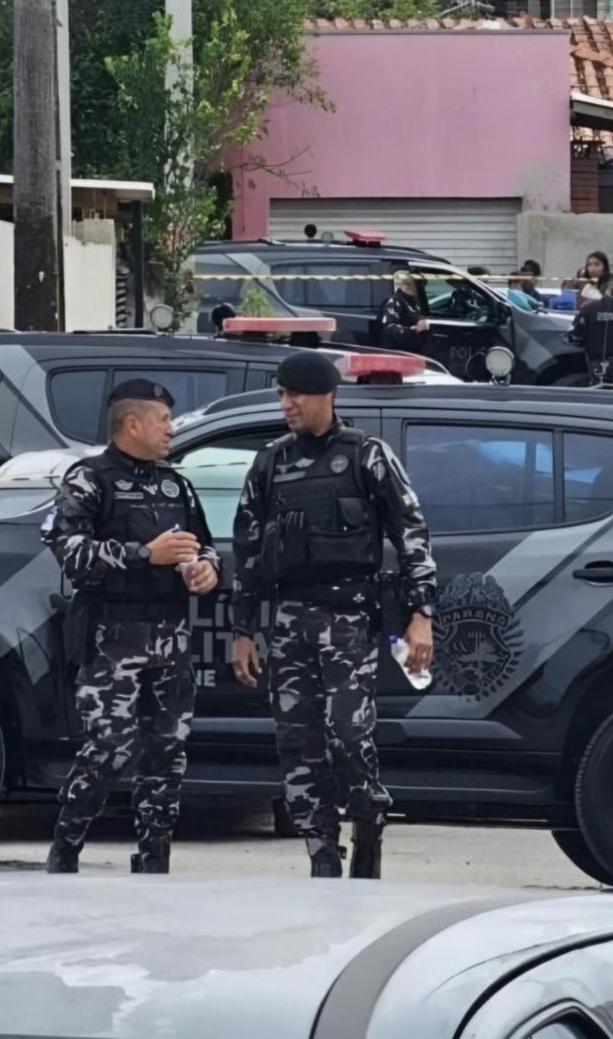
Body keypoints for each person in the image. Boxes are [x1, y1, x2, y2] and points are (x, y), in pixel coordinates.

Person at [228, 350, 438, 879]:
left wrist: (421, 612)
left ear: (325, 395)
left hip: (348, 618)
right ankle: (321, 852)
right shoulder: (270, 462)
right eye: (281, 394)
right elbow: (247, 550)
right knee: (297, 741)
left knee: (348, 734)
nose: (287, 404)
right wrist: (243, 628)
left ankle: (368, 821)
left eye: (295, 394)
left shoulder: (366, 455)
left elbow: (411, 533)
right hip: (289, 619)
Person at [41, 379, 222, 875]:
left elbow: (204, 544)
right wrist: (145, 554)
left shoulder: (175, 483)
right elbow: (71, 554)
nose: (170, 428)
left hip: (170, 640)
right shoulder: (89, 479)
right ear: (132, 423)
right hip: (112, 640)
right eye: (163, 419)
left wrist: (206, 569)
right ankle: (66, 848)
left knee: (167, 757)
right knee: (109, 749)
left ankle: (154, 858)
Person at [378, 270, 430, 353]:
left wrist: (422, 320)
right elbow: (389, 329)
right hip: (398, 352)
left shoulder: (412, 301)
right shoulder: (394, 301)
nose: (422, 289)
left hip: (413, 349)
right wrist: (412, 330)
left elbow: (411, 317)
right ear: (409, 285)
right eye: (420, 285)